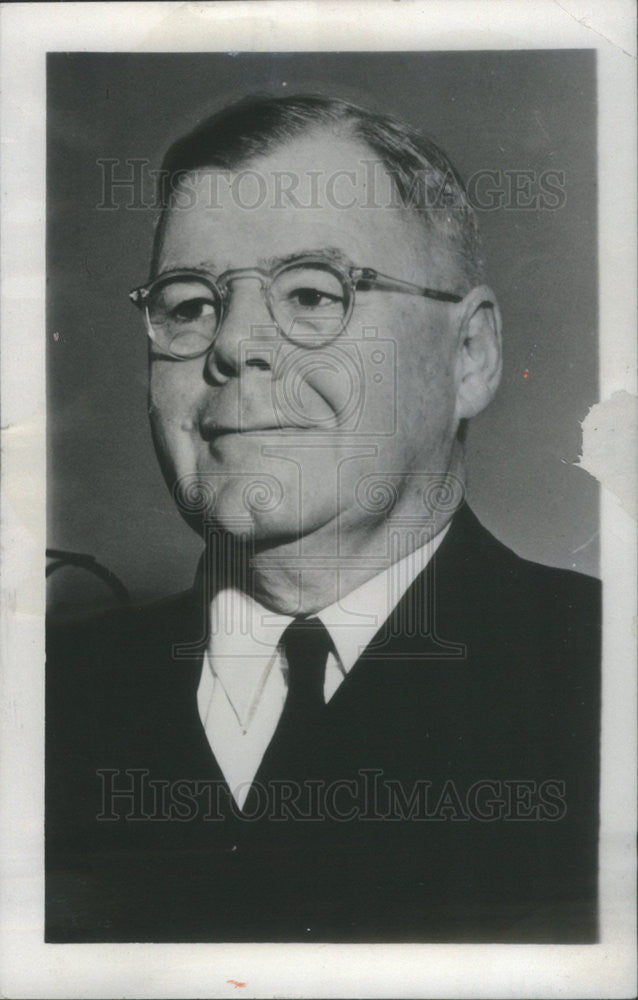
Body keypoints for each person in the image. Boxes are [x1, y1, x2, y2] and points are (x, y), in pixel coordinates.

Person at [46, 94, 600, 943]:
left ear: (470, 356)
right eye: (190, 304)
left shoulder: (603, 678)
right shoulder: (43, 696)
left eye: (311, 294)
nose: (234, 343)